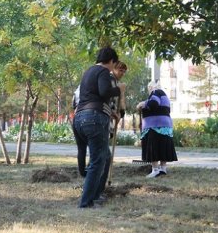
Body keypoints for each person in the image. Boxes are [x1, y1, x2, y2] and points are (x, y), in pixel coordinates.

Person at [73, 47, 125, 208]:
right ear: (110, 61)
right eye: (113, 64)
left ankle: (95, 194)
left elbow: (91, 97)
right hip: (94, 120)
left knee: (105, 157)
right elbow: (104, 92)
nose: (112, 68)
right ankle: (86, 202)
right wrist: (119, 90)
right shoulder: (103, 72)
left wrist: (110, 113)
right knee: (97, 160)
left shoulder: (88, 71)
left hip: (79, 119)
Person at [137, 81, 177, 178]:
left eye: (149, 88)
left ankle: (155, 170)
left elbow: (153, 104)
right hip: (165, 125)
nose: (149, 91)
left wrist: (142, 104)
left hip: (154, 125)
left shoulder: (156, 92)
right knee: (163, 147)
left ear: (151, 87)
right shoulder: (164, 96)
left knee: (153, 147)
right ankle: (163, 169)